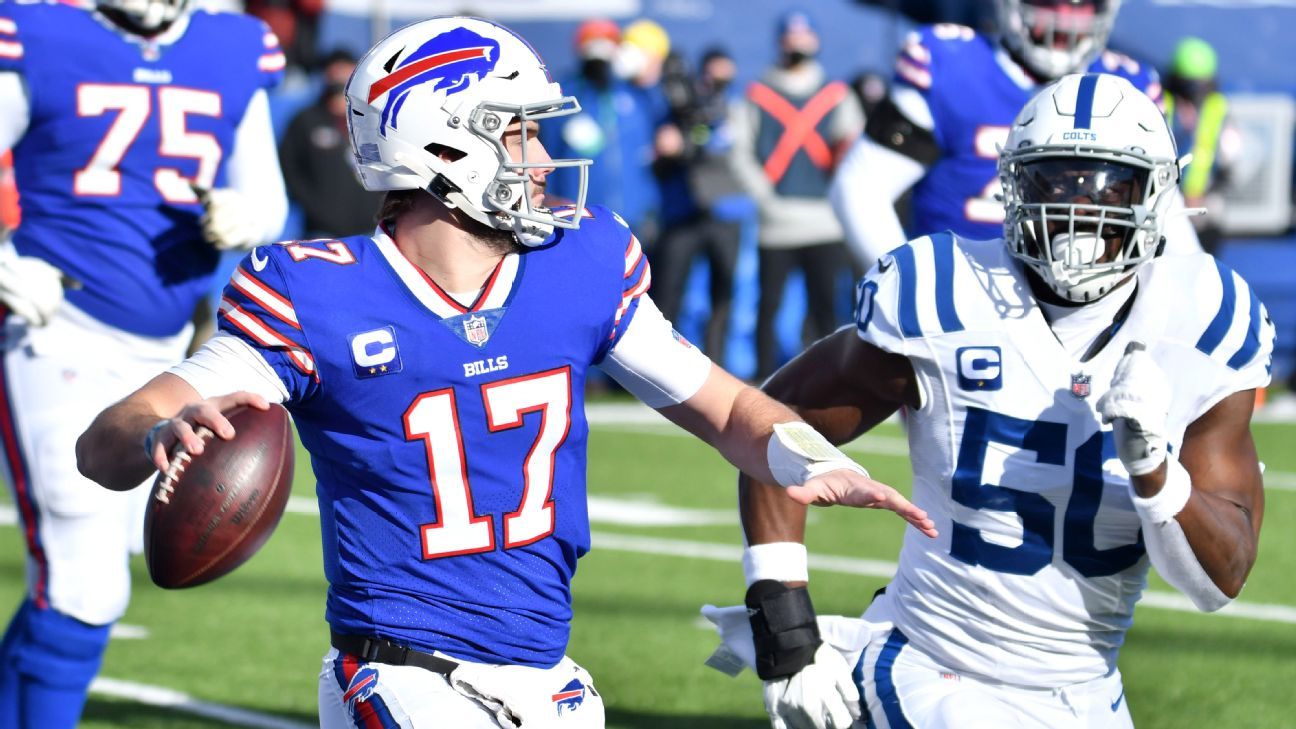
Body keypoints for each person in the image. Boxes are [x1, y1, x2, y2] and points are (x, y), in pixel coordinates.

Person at [73, 17, 935, 729]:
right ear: (441, 146)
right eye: (518, 131)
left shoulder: (577, 263)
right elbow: (106, 439)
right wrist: (156, 434)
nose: (541, 158)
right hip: (403, 674)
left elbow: (727, 410)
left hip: (546, 677)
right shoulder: (318, 293)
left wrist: (809, 456)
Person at [721, 73, 1271, 729]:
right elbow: (776, 428)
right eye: (1055, 182)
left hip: (1087, 689)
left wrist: (1156, 469)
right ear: (1012, 185)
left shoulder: (1204, 318)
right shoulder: (944, 291)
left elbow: (1219, 581)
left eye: (1107, 186)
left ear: (1153, 196)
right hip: (933, 663)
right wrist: (784, 627)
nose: (1079, 208)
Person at [0, 1, 287, 726]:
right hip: (55, 328)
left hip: (169, 351)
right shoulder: (37, 31)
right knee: (83, 581)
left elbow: (267, 199)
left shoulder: (234, 44)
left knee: (88, 574)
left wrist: (246, 215)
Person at [831, 0, 1203, 272]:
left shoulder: (1131, 85)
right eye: (1048, 3)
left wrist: (1195, 298)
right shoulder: (953, 63)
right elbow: (860, 186)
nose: (1063, 20)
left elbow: (1164, 214)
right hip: (967, 293)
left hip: (1092, 307)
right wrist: (909, 285)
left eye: (1079, 7)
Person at [730, 9, 863, 380]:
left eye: (804, 37)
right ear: (779, 42)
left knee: (826, 307)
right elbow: (740, 152)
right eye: (791, 37)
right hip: (777, 222)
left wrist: (837, 194)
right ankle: (762, 381)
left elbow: (853, 151)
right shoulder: (758, 95)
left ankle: (830, 381)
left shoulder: (836, 96)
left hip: (824, 220)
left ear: (816, 41)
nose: (797, 44)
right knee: (768, 306)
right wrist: (765, 197)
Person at [650, 46, 752, 364]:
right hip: (682, 214)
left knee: (723, 292)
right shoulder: (668, 114)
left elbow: (722, 144)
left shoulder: (730, 107)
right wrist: (669, 147)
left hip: (724, 212)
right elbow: (658, 162)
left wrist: (686, 143)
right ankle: (661, 365)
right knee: (669, 291)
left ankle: (717, 363)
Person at [542, 18, 664, 252]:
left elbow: (661, 122)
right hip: (580, 216)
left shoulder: (635, 93)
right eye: (592, 42)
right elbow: (548, 153)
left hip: (635, 215)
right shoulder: (563, 95)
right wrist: (553, 201)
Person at [279, 49, 384, 238]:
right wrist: (316, 209)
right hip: (322, 232)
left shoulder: (372, 120)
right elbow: (289, 169)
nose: (339, 80)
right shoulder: (307, 121)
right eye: (335, 76)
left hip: (371, 230)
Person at [1162, 36, 1240, 254]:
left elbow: (1230, 162)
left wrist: (1206, 194)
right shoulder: (1161, 104)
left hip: (1203, 210)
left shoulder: (1219, 110)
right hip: (1165, 206)